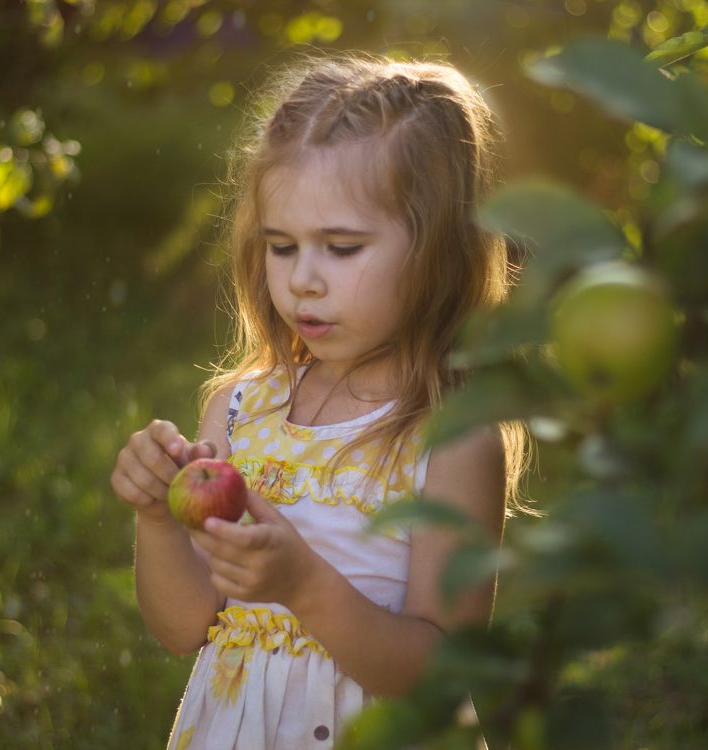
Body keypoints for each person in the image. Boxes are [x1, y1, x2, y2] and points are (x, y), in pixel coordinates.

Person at [110, 52, 527, 749]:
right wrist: (156, 521)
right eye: (281, 247)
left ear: (438, 251)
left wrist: (305, 587)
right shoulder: (240, 411)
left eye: (340, 247)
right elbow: (184, 628)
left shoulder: (451, 439)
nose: (303, 279)